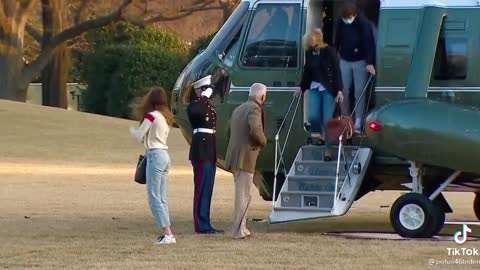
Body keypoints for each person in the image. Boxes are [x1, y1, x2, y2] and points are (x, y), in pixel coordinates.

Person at [129, 87, 176, 245]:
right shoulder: (165, 117)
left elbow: (139, 135)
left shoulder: (151, 116)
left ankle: (167, 233)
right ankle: (168, 232)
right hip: (165, 155)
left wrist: (132, 131)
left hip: (155, 155)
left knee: (154, 198)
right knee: (162, 197)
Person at [225, 83, 267, 240]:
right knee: (243, 195)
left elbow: (227, 131)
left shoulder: (238, 108)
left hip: (235, 157)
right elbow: (256, 131)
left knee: (244, 194)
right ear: (261, 96)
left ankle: (242, 228)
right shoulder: (254, 109)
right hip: (246, 158)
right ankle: (238, 231)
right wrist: (263, 142)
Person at [297, 28, 344, 161]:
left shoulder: (329, 51)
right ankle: (322, 134)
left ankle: (328, 149)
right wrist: (302, 87)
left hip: (328, 88)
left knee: (327, 120)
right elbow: (307, 71)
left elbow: (336, 71)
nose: (311, 45)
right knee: (312, 117)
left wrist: (339, 90)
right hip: (314, 87)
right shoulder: (309, 52)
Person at [186, 75, 223, 234]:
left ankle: (206, 223)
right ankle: (200, 225)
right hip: (201, 151)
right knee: (201, 189)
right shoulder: (196, 106)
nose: (210, 91)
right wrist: (202, 98)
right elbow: (194, 111)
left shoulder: (207, 106)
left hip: (209, 151)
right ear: (199, 90)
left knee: (207, 188)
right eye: (206, 88)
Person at [334, 1, 376, 133]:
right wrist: (334, 57)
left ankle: (358, 121)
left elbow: (369, 43)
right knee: (343, 90)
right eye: (345, 18)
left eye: (349, 18)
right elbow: (337, 40)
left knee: (359, 91)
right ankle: (346, 119)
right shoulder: (341, 23)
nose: (347, 20)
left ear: (355, 15)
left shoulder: (363, 24)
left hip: (360, 61)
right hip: (345, 60)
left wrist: (370, 63)